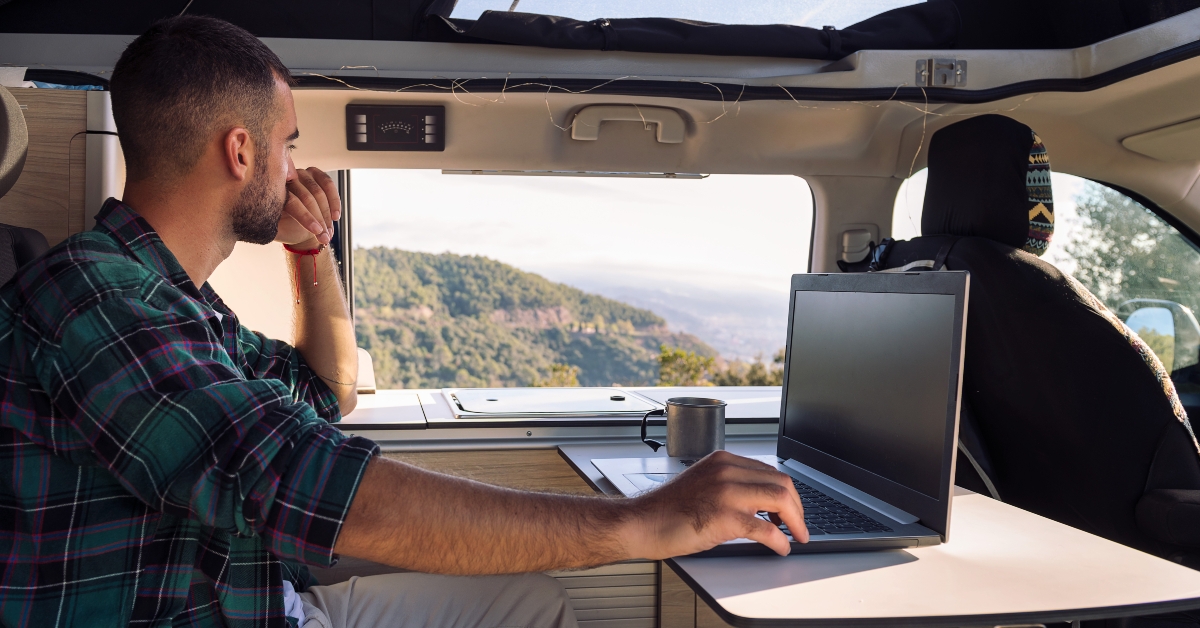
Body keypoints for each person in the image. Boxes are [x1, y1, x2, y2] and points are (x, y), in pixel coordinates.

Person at [0, 15, 807, 628]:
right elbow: (301, 481)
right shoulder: (94, 299)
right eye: (286, 145)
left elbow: (325, 390)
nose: (294, 168)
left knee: (533, 603)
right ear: (240, 153)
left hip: (260, 595)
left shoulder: (178, 303)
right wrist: (641, 523)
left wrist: (313, 251)